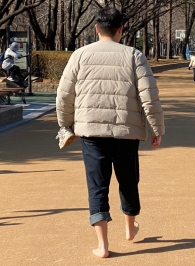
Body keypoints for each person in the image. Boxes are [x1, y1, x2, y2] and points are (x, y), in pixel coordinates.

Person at [56, 7, 165, 258]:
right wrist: (157, 128)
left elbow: (64, 95)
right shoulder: (134, 55)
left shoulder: (80, 55)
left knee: (97, 185)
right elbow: (150, 97)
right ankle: (129, 229)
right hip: (126, 131)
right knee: (128, 181)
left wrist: (66, 124)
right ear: (121, 29)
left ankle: (103, 245)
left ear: (96, 28)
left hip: (91, 132)